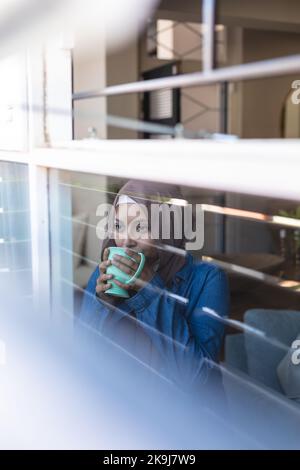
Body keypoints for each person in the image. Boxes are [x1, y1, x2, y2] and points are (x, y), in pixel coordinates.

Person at [79, 180, 230, 391]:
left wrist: (149, 290)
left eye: (141, 227)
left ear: (169, 229)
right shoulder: (104, 274)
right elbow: (80, 358)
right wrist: (103, 306)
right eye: (118, 226)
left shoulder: (207, 279)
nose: (125, 240)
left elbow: (196, 379)